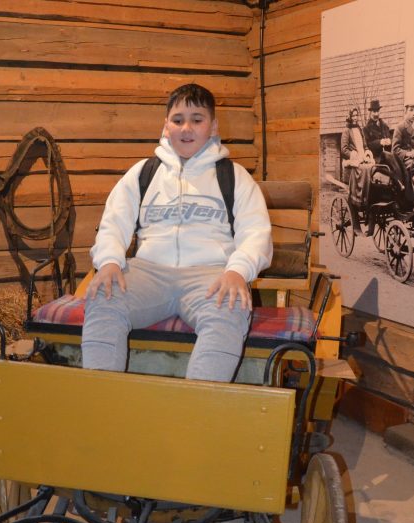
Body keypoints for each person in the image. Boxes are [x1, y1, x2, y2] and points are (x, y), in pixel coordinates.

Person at [81, 83, 273, 382]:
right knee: (104, 297)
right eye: (178, 119)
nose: (186, 128)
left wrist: (238, 271)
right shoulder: (143, 173)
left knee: (230, 308)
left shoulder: (234, 177)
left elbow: (256, 233)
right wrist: (108, 262)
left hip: (210, 275)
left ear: (213, 127)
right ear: (166, 125)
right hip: (148, 272)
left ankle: (198, 405)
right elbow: (113, 223)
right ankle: (100, 397)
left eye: (197, 119)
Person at [340, 108, 374, 233]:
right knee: (365, 170)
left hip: (362, 159)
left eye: (356, 115)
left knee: (372, 168)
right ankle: (361, 199)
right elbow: (344, 149)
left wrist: (367, 152)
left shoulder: (359, 129)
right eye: (353, 116)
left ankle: (368, 198)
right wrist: (353, 154)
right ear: (349, 117)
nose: (355, 118)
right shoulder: (346, 130)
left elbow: (364, 145)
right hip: (352, 163)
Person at [363, 99, 407, 193]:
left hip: (387, 156)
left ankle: (404, 182)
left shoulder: (385, 126)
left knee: (397, 160)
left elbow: (391, 139)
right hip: (376, 158)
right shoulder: (366, 129)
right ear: (370, 112)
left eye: (377, 111)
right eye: (374, 111)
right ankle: (399, 182)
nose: (376, 114)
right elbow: (367, 145)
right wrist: (380, 142)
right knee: (390, 160)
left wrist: (389, 141)